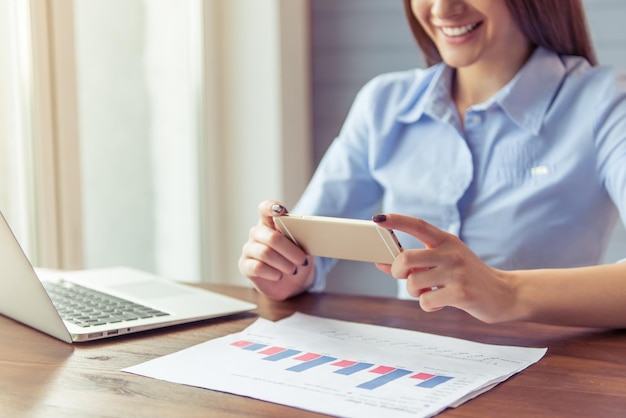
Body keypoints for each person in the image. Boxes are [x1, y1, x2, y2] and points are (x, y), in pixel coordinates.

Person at [238, 0, 626, 328]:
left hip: (550, 378)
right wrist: (283, 269)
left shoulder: (606, 101)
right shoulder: (383, 103)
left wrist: (506, 291)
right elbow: (306, 255)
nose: (442, 9)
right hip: (418, 369)